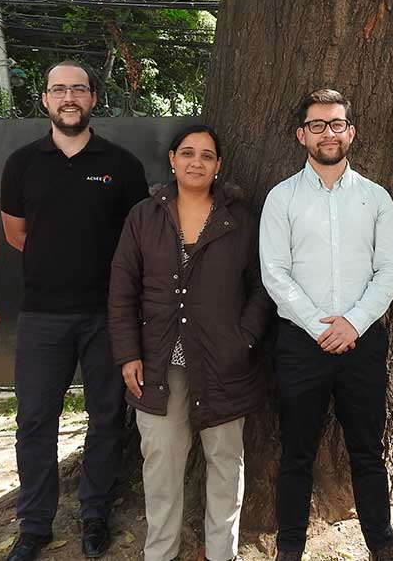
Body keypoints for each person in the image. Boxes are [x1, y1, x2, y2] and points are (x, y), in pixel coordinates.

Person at [0, 60, 149, 561]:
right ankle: (34, 524)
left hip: (109, 315)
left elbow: (136, 242)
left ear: (92, 99)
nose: (69, 98)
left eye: (78, 89)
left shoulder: (123, 165)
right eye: (59, 89)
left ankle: (95, 514)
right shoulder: (22, 164)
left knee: (106, 417)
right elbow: (17, 234)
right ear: (45, 98)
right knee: (34, 421)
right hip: (42, 316)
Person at [108, 124, 273, 561]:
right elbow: (122, 290)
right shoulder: (144, 216)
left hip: (223, 362)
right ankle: (160, 553)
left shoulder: (240, 220)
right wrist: (128, 354)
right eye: (187, 153)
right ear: (172, 160)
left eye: (206, 155)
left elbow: (261, 287)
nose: (196, 162)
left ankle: (223, 553)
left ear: (218, 165)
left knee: (225, 463)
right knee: (161, 465)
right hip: (157, 363)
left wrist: (243, 339)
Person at [259, 89, 393, 561]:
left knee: (368, 452)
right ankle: (289, 549)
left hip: (362, 342)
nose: (328, 133)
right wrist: (319, 326)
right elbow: (274, 272)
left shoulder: (375, 198)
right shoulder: (281, 198)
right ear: (301, 134)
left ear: (351, 133)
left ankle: (382, 547)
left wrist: (353, 324)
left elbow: (390, 270)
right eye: (317, 125)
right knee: (296, 453)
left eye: (337, 124)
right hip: (301, 344)